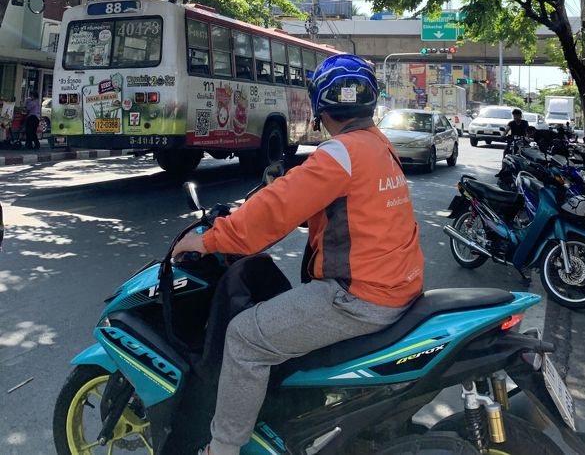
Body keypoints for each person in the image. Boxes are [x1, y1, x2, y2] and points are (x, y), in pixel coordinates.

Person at [172, 54, 425, 455]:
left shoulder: (338, 153)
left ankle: (222, 448)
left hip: (358, 297)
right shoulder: (378, 146)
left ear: (320, 106)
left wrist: (209, 240)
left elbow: (272, 212)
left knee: (243, 338)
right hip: (396, 285)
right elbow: (357, 213)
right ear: (370, 103)